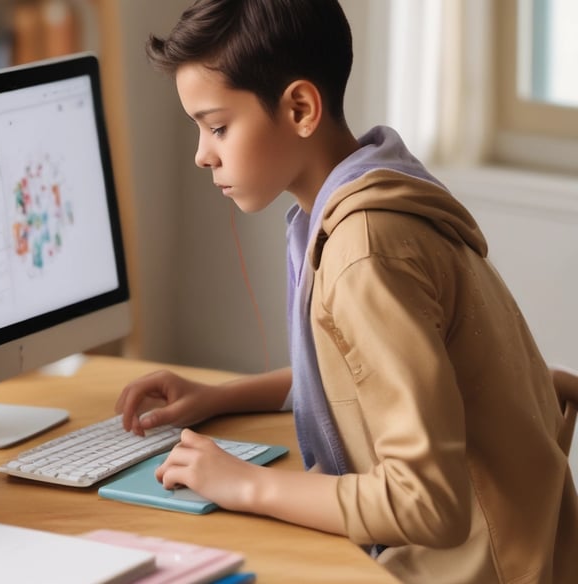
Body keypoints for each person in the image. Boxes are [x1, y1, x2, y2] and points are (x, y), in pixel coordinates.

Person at [115, 1, 578, 582]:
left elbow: (428, 506)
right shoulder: (374, 189)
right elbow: (363, 372)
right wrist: (217, 398)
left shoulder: (364, 251)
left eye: (218, 127)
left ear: (301, 108)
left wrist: (246, 482)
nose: (202, 154)